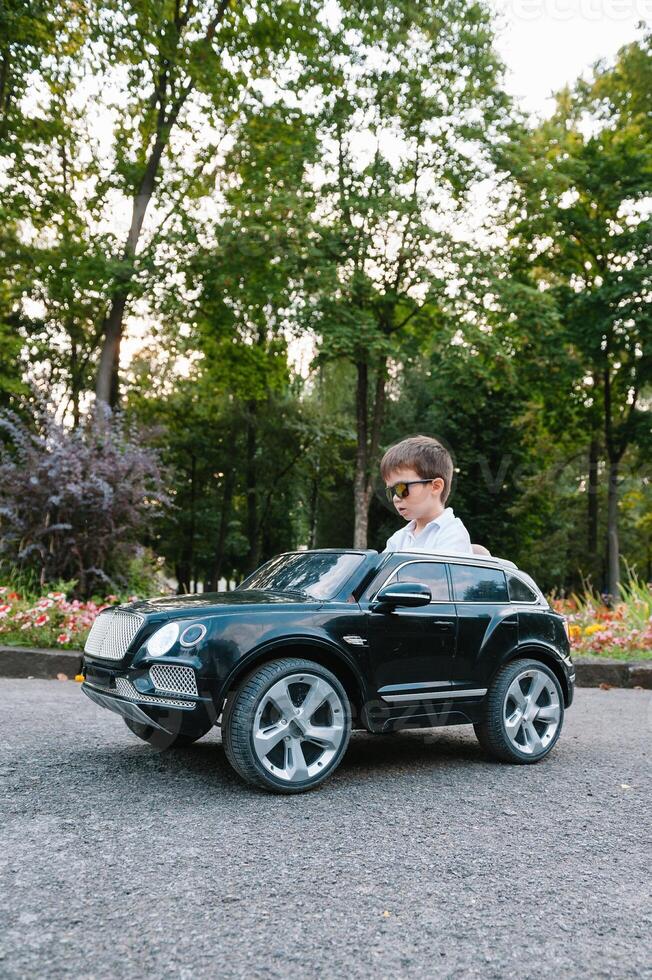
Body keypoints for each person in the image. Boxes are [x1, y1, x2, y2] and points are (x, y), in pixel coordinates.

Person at [380, 434, 473, 555]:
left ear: (436, 487)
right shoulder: (398, 539)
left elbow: (439, 573)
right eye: (391, 491)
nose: (395, 498)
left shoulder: (452, 533)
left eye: (401, 488)